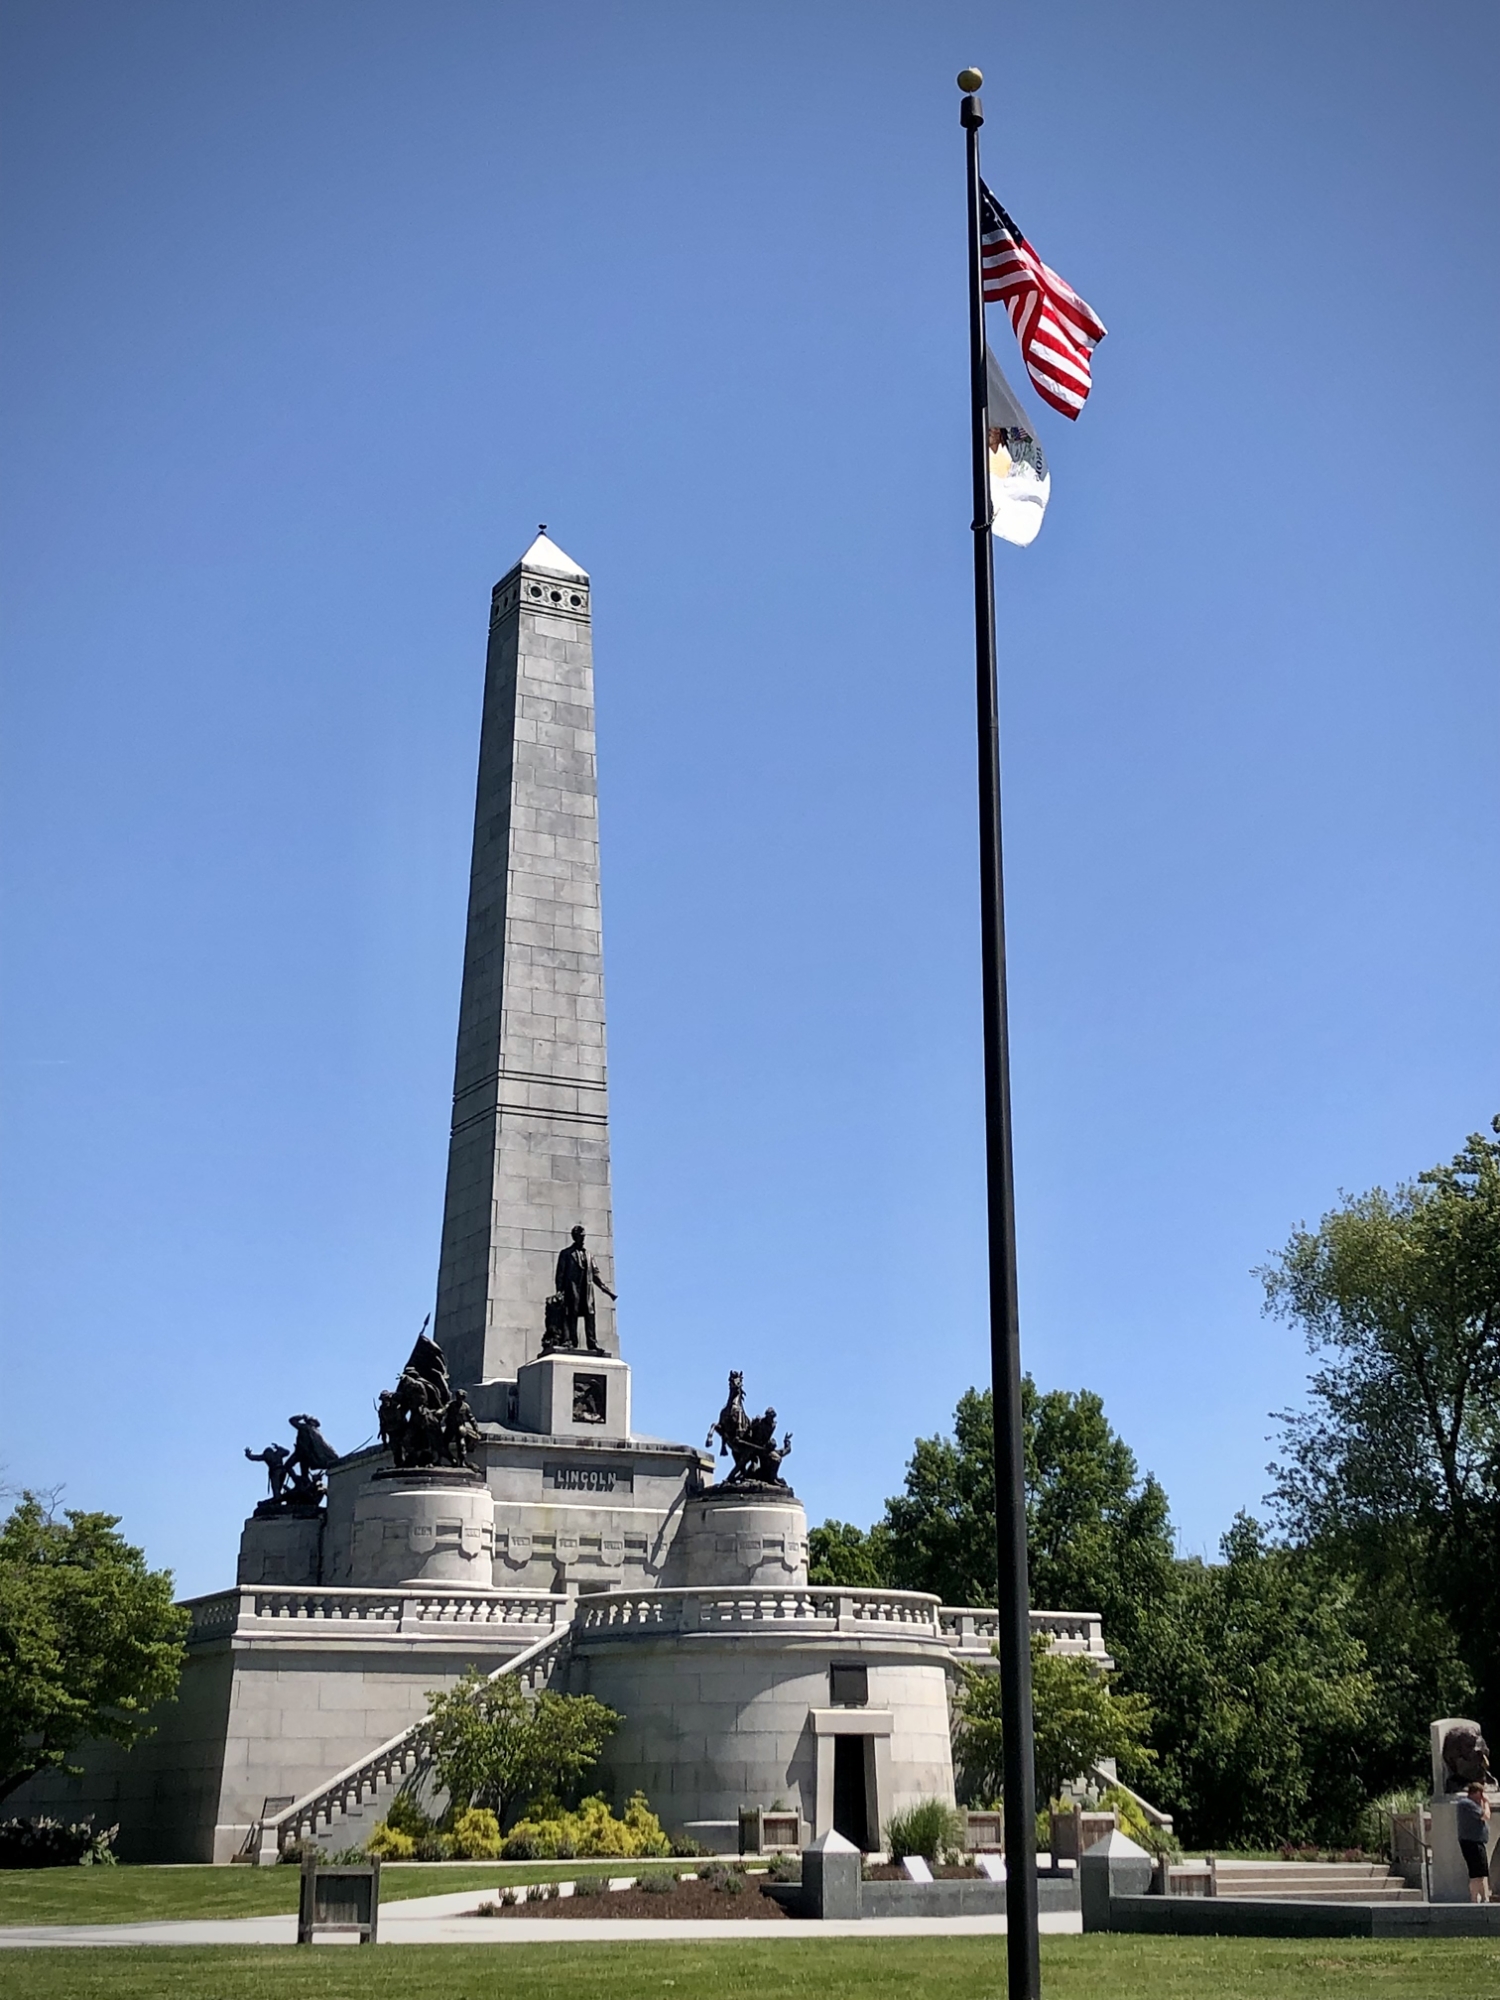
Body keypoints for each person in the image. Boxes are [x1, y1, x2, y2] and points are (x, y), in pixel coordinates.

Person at [554, 1224, 615, 1353]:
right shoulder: (565, 1254)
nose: (582, 1239)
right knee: (571, 1315)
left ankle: (592, 1343)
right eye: (580, 1236)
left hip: (586, 1290)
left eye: (583, 1236)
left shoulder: (589, 1254)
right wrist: (559, 1291)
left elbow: (595, 1274)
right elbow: (560, 1274)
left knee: (590, 1315)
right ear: (574, 1237)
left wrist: (605, 1289)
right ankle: (570, 1341)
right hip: (572, 1289)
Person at [1455, 1782, 1492, 1902]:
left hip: (1476, 1841)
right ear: (1476, 1793)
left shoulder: (1471, 1805)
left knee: (1481, 1872)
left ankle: (1484, 1897)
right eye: (1481, 1794)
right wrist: (1486, 1802)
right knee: (1476, 1873)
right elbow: (1486, 1815)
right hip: (1471, 1842)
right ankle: (1475, 1898)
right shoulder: (1467, 1804)